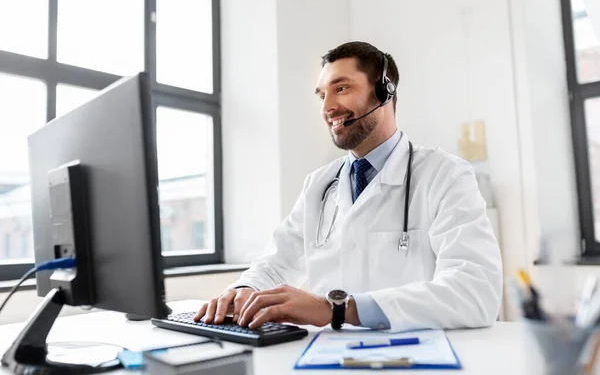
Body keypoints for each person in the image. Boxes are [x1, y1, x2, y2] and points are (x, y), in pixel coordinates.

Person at [194, 41, 503, 333]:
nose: (327, 107)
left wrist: (339, 309)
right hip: (325, 357)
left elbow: (475, 292)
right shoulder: (319, 185)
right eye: (321, 95)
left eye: (340, 88)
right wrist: (243, 290)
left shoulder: (445, 175)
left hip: (414, 357)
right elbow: (277, 262)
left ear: (384, 92)